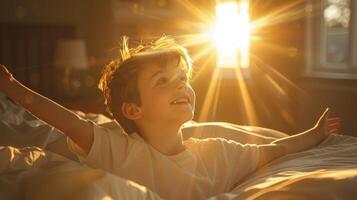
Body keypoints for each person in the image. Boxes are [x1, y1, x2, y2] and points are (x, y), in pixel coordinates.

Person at [0, 36, 340, 199]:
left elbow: (274, 150)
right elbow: (66, 122)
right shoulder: (118, 149)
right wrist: (13, 88)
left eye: (183, 79)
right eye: (163, 82)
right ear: (134, 110)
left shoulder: (218, 153)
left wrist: (313, 134)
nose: (181, 85)